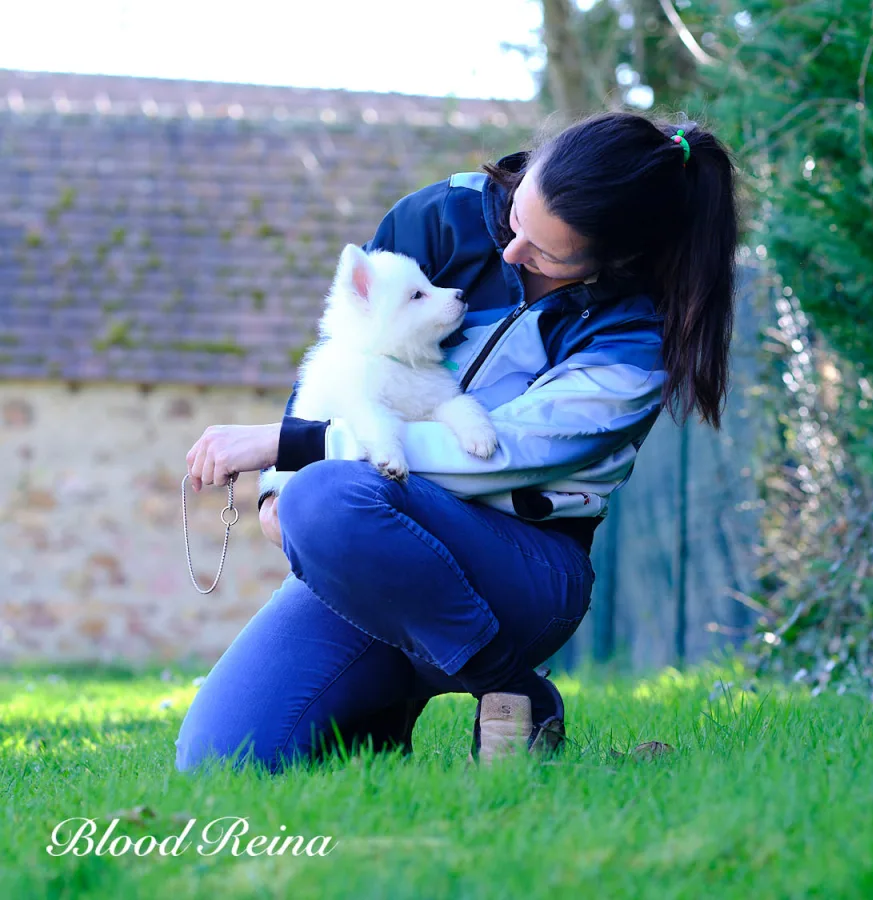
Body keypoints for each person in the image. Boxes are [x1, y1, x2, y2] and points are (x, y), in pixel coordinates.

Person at [175, 111, 739, 771]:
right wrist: (277, 496)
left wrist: (296, 449)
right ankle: (379, 720)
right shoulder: (442, 216)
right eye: (519, 218)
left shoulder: (637, 335)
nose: (510, 252)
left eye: (548, 252)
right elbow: (344, 355)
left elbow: (498, 457)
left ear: (617, 257)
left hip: (517, 569)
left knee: (329, 497)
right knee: (221, 759)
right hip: (369, 558)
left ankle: (511, 685)